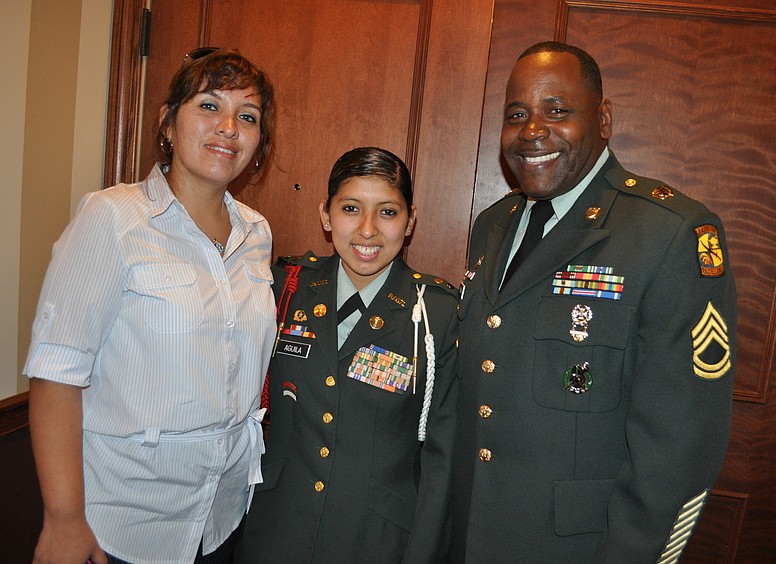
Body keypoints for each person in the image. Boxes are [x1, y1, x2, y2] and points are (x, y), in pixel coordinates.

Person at [450, 41, 737, 562]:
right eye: (517, 114)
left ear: (603, 118)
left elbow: (679, 449)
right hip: (469, 536)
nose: (533, 130)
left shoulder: (667, 234)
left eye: (557, 111)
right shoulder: (493, 225)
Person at [25, 48, 277, 564]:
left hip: (222, 515)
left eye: (247, 116)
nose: (228, 127)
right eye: (209, 106)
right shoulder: (113, 217)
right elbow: (56, 372)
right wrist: (64, 519)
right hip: (123, 525)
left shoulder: (256, 232)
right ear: (167, 123)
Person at [236, 147, 458, 563]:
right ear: (326, 215)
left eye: (388, 212)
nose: (368, 230)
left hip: (376, 539)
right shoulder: (286, 288)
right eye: (351, 208)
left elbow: (442, 461)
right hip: (275, 531)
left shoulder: (435, 314)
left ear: (410, 221)